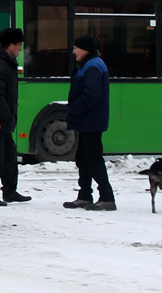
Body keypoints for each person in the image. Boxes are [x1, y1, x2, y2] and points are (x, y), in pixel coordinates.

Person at [63, 34, 115, 211]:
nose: (74, 51)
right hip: (88, 120)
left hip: (90, 121)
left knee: (92, 159)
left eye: (76, 48)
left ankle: (107, 196)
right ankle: (84, 194)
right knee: (83, 158)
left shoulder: (92, 66)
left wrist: (74, 110)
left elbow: (91, 95)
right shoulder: (90, 64)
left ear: (85, 49)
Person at [0, 27, 31, 206]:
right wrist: (6, 116)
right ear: (10, 46)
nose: (20, 49)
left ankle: (9, 190)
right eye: (18, 46)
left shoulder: (6, 62)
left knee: (9, 154)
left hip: (4, 117)